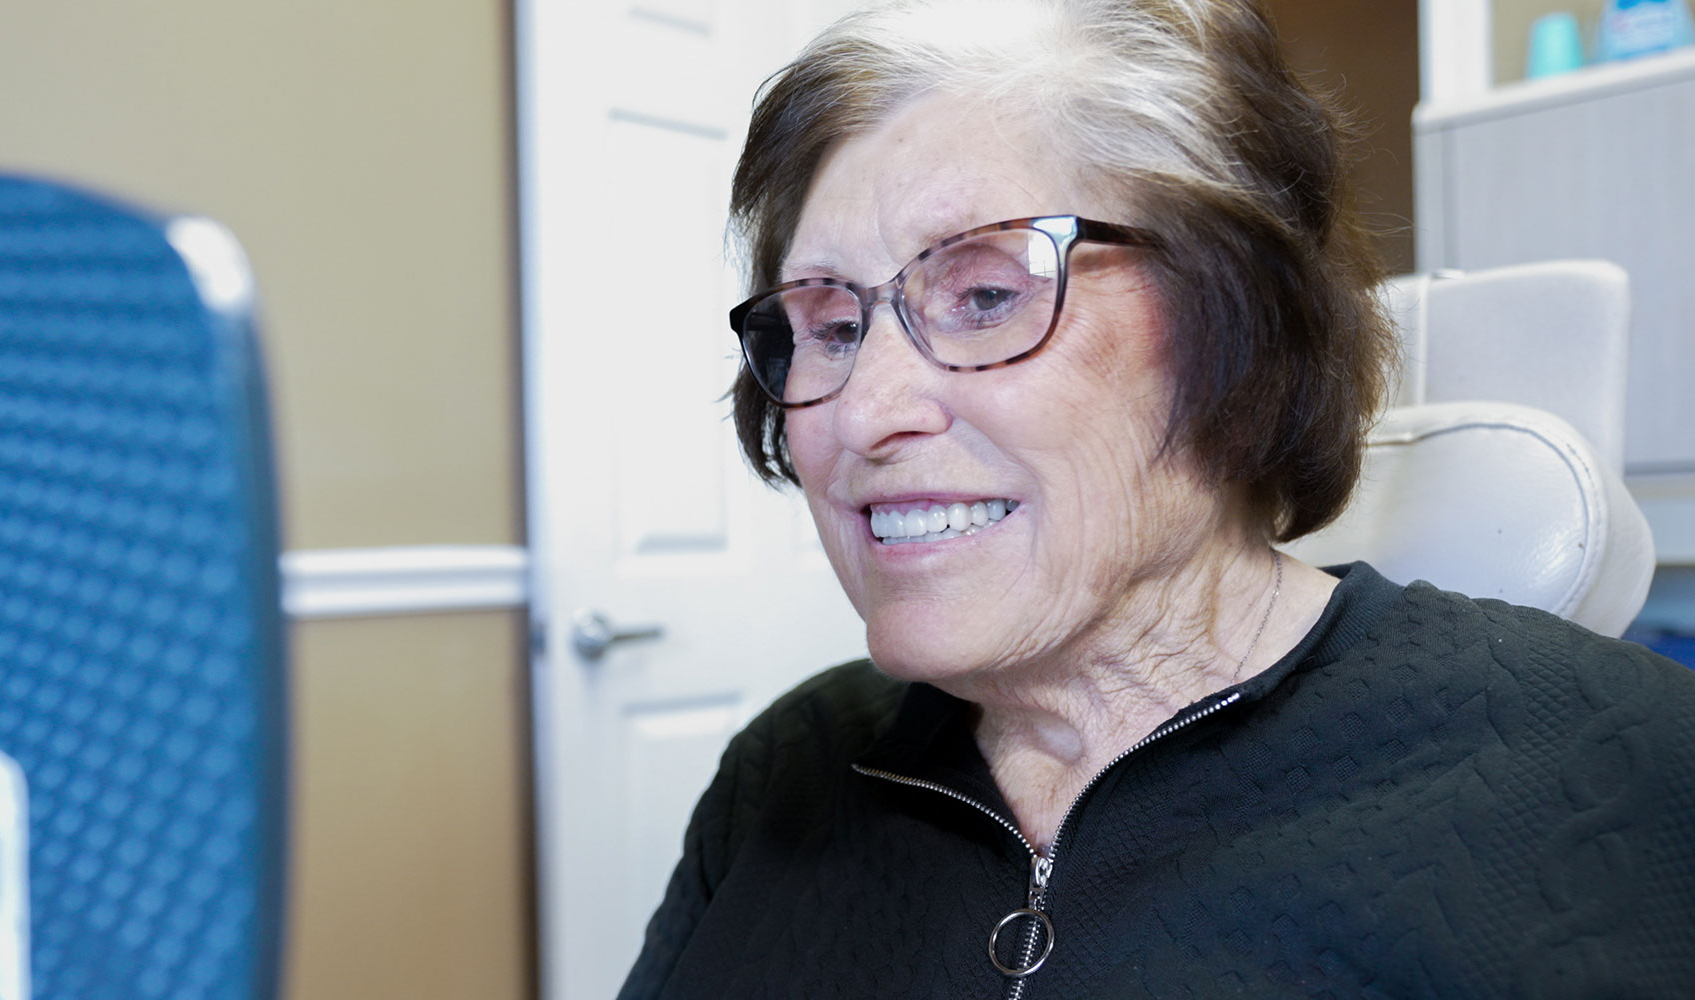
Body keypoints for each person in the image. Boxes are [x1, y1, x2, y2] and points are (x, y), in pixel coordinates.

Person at [619, 1, 1695, 996]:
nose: (862, 413)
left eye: (984, 295)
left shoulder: (1613, 763)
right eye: (830, 327)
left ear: (1239, 324)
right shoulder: (784, 770)